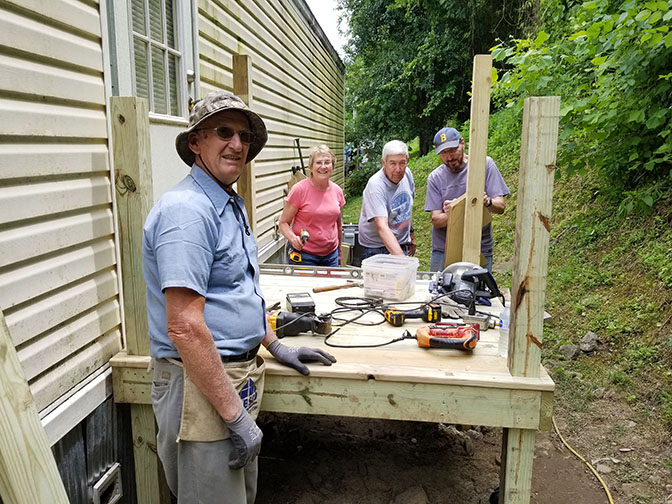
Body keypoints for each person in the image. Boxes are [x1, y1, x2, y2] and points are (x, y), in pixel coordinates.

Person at [142, 91, 336, 504]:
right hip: (199, 386)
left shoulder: (228, 202)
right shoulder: (187, 212)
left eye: (244, 136)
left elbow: (236, 292)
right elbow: (185, 326)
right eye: (223, 132)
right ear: (195, 141)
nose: (236, 144)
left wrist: (274, 343)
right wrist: (234, 416)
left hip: (231, 379)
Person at [424, 127, 509, 272]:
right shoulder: (435, 178)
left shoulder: (484, 165)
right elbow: (436, 220)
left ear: (462, 143)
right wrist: (452, 213)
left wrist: (487, 202)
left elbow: (500, 206)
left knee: (479, 292)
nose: (449, 157)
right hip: (444, 249)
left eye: (452, 150)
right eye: (443, 153)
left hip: (480, 246)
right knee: (440, 293)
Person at [278, 144, 345, 266]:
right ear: (311, 167)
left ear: (333, 166)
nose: (323, 167)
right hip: (304, 255)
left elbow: (338, 226)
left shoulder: (337, 191)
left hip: (331, 256)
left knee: (329, 286)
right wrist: (293, 239)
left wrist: (339, 252)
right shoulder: (299, 190)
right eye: (319, 162)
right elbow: (283, 224)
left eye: (327, 162)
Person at [357, 140, 416, 259]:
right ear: (384, 163)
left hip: (400, 241)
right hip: (376, 247)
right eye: (392, 163)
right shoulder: (376, 185)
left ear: (407, 161)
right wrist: (403, 261)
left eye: (402, 163)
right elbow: (382, 227)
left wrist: (411, 234)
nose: (398, 169)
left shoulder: (407, 174)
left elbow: (405, 207)